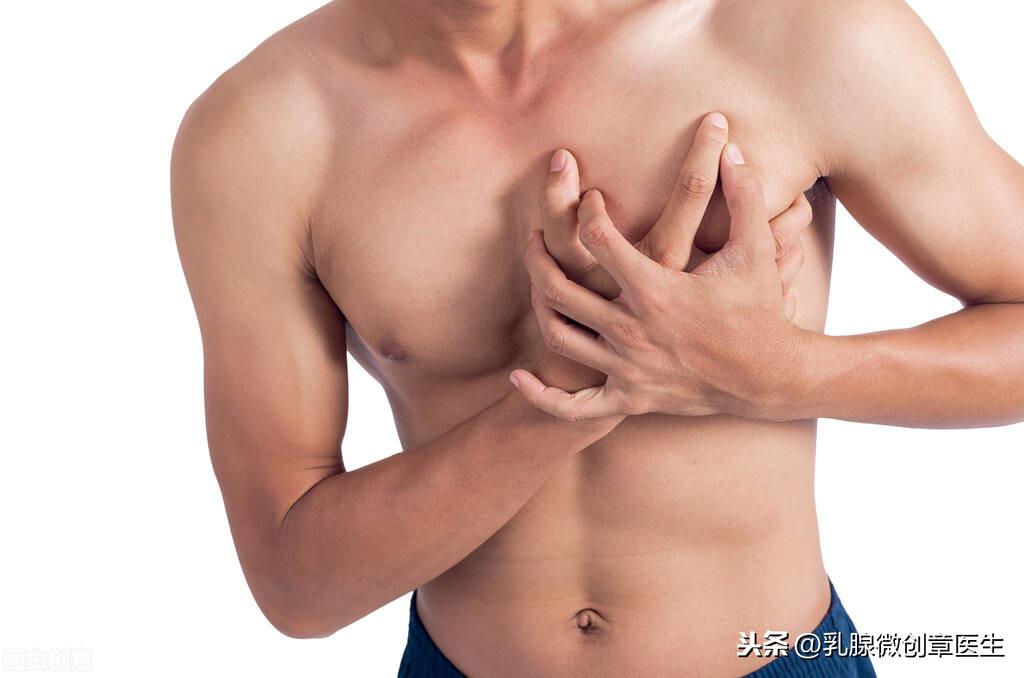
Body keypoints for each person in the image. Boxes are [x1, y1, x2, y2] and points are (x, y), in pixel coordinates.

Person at [171, 1, 1024, 675]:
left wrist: (774, 371)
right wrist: (571, 392)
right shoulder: (261, 132)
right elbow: (296, 586)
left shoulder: (800, 31)